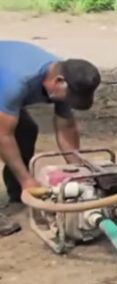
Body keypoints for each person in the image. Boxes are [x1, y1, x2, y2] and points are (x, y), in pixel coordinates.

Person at [0, 42, 101, 237]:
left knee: (26, 130)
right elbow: (2, 135)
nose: (69, 102)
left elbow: (66, 127)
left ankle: (17, 196)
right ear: (58, 81)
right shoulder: (19, 81)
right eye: (70, 97)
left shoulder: (63, 78)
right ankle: (22, 185)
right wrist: (27, 179)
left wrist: (79, 172)